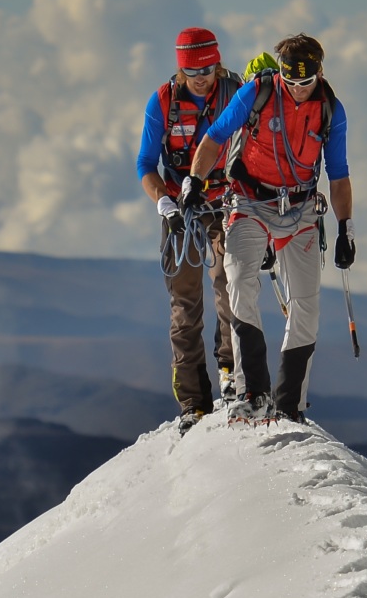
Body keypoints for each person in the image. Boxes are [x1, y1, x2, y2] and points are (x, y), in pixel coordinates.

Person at [181, 33, 355, 424]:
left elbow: (339, 174)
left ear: (319, 73)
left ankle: (290, 403)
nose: (297, 91)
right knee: (240, 280)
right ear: (280, 75)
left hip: (301, 207)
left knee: (307, 304)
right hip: (249, 201)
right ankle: (252, 391)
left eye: (305, 82)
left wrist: (346, 229)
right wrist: (194, 180)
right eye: (291, 83)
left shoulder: (330, 109)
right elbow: (215, 137)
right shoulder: (258, 93)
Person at [136, 27, 241, 435]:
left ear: (218, 62)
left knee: (230, 284)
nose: (201, 77)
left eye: (208, 68)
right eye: (192, 70)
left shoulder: (236, 92)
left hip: (227, 200)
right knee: (185, 305)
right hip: (180, 207)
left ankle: (233, 375)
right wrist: (163, 202)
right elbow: (146, 162)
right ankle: (193, 403)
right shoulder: (163, 102)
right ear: (180, 68)